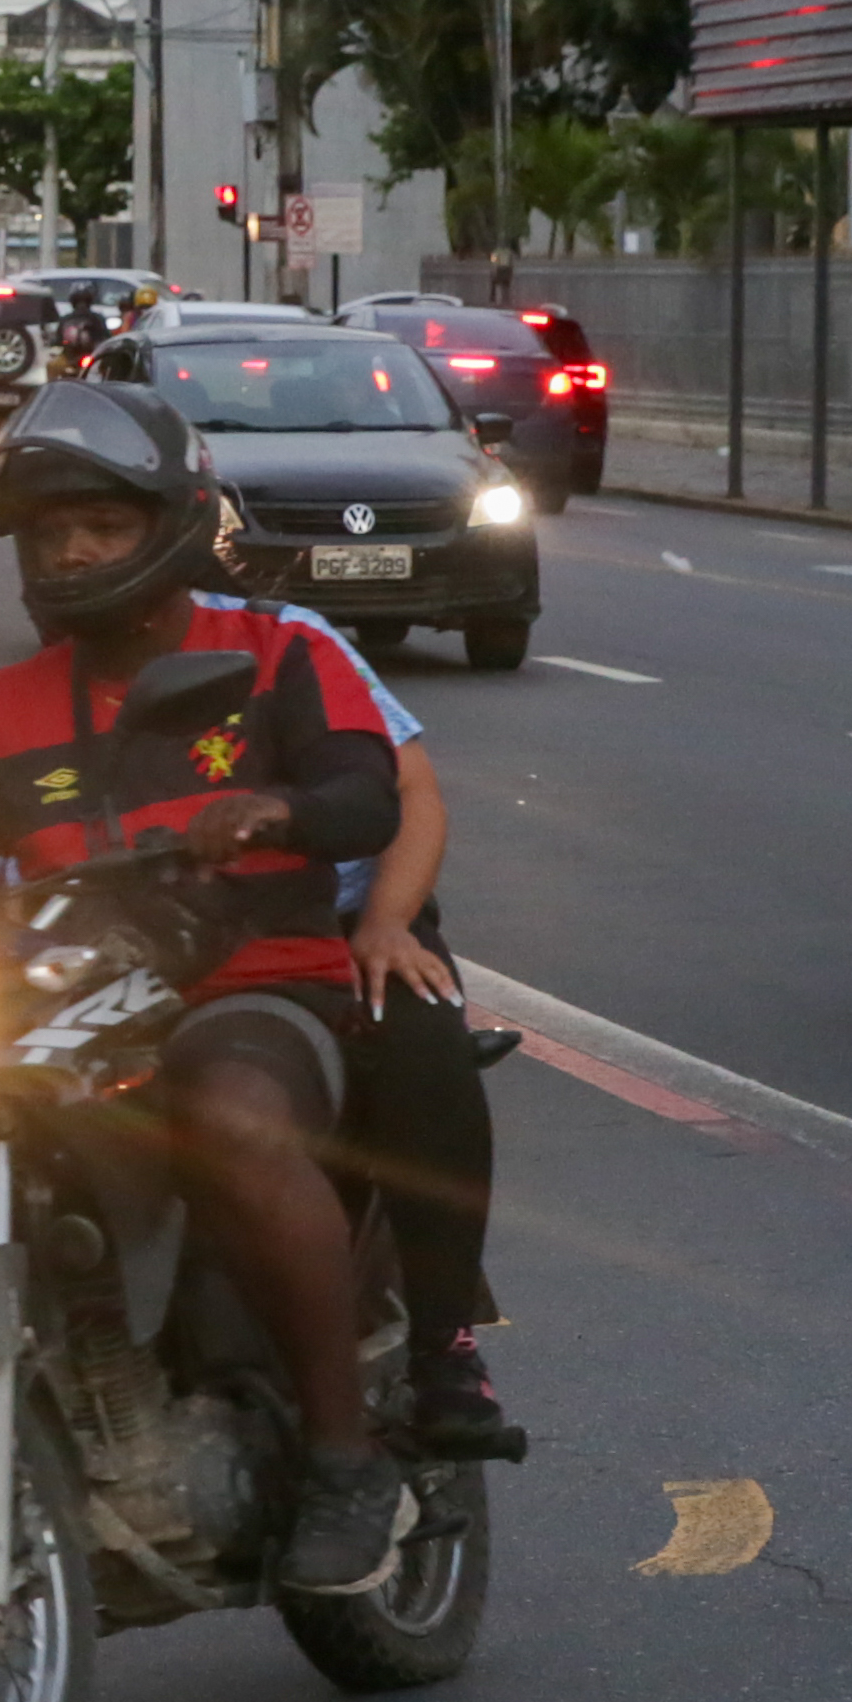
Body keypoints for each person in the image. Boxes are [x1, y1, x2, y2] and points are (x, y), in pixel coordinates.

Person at [0, 379, 413, 1596]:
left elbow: (367, 794)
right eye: (45, 530)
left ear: (171, 524)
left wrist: (276, 806)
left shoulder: (278, 656)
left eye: (99, 525)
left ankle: (344, 1454)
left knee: (225, 1109)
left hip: (255, 987)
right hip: (49, 1013)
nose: (67, 549)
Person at [202, 548, 511, 1459]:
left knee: (416, 1033)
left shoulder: (292, 640)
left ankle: (442, 1344)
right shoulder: (58, 671)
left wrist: (385, 924)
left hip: (340, 927)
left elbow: (412, 791)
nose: (84, 554)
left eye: (112, 526)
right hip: (174, 947)